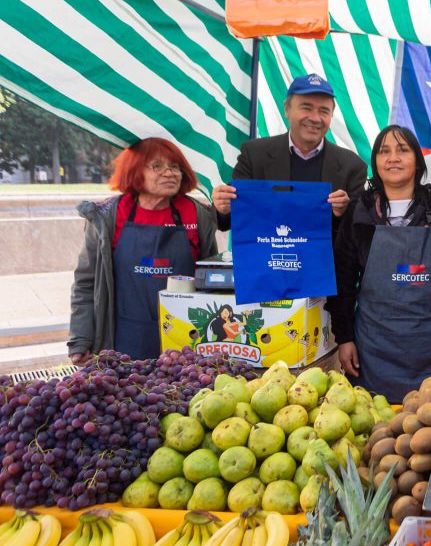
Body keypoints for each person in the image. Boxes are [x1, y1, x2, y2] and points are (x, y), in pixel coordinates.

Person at [333, 125, 431, 402]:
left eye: (403, 150)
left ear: (417, 159)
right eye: (384, 151)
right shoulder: (360, 210)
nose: (393, 158)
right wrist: (344, 337)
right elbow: (343, 278)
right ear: (375, 162)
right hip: (373, 345)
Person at [69, 138, 218, 363]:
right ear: (135, 171)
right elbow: (86, 282)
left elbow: (211, 282)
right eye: (157, 166)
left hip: (185, 346)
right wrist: (80, 338)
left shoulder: (196, 215)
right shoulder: (108, 216)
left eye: (175, 166)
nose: (169, 173)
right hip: (123, 341)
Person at [211, 74, 367, 231]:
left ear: (332, 114)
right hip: (266, 254)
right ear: (287, 109)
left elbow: (357, 232)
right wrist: (223, 208)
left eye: (324, 111)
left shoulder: (352, 166)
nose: (315, 118)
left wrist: (342, 212)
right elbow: (229, 219)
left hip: (326, 256)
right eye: (306, 108)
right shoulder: (254, 155)